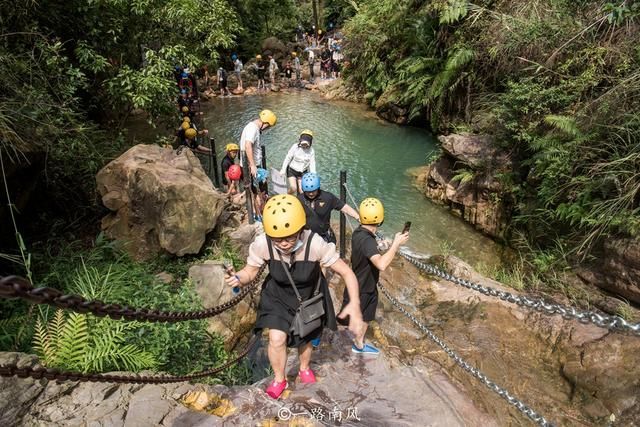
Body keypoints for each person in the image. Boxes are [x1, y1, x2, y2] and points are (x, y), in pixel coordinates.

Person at [224, 194, 365, 399]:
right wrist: (239, 278)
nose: (283, 243)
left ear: (300, 230)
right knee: (276, 338)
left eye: (289, 237)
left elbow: (347, 273)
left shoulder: (315, 244)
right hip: (278, 294)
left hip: (308, 296)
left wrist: (354, 304)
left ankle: (304, 368)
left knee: (305, 337)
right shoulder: (263, 243)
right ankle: (279, 379)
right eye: (277, 239)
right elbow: (250, 272)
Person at [340, 198, 409, 356]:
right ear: (380, 219)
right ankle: (357, 345)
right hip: (363, 287)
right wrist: (396, 245)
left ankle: (359, 343)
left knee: (367, 316)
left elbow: (370, 249)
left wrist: (387, 245)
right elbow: (381, 265)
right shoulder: (367, 241)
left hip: (364, 283)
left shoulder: (359, 232)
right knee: (360, 317)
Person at [297, 173, 360, 244]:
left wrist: (357, 217)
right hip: (305, 237)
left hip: (323, 236)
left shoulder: (327, 198)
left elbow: (344, 207)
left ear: (318, 188)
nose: (311, 194)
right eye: (308, 192)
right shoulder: (299, 200)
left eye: (313, 191)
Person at [239, 109, 277, 216]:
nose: (268, 129)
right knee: (254, 192)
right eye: (269, 126)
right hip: (251, 166)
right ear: (266, 123)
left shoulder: (253, 127)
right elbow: (247, 145)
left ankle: (260, 211)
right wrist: (252, 165)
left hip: (253, 164)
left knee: (262, 186)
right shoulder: (253, 129)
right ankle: (258, 214)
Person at [279, 130, 316, 194]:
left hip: (303, 172)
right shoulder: (295, 147)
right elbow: (288, 158)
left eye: (306, 144)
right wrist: (283, 170)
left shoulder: (311, 151)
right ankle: (285, 197)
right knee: (293, 188)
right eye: (303, 144)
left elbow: (312, 163)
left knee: (302, 191)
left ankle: (299, 201)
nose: (304, 146)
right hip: (292, 170)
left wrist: (313, 175)